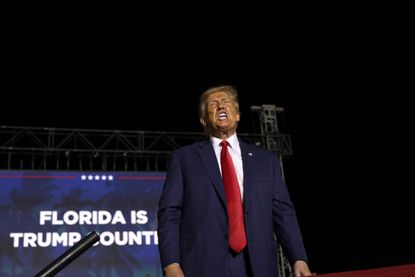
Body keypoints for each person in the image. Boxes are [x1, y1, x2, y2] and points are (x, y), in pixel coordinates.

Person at [157, 85, 313, 277]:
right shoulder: (184, 159)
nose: (221, 106)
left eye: (226, 103)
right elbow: (169, 214)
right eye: (213, 104)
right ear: (203, 120)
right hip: (202, 263)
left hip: (257, 264)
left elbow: (283, 212)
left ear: (238, 115)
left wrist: (298, 258)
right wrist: (171, 264)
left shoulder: (265, 160)